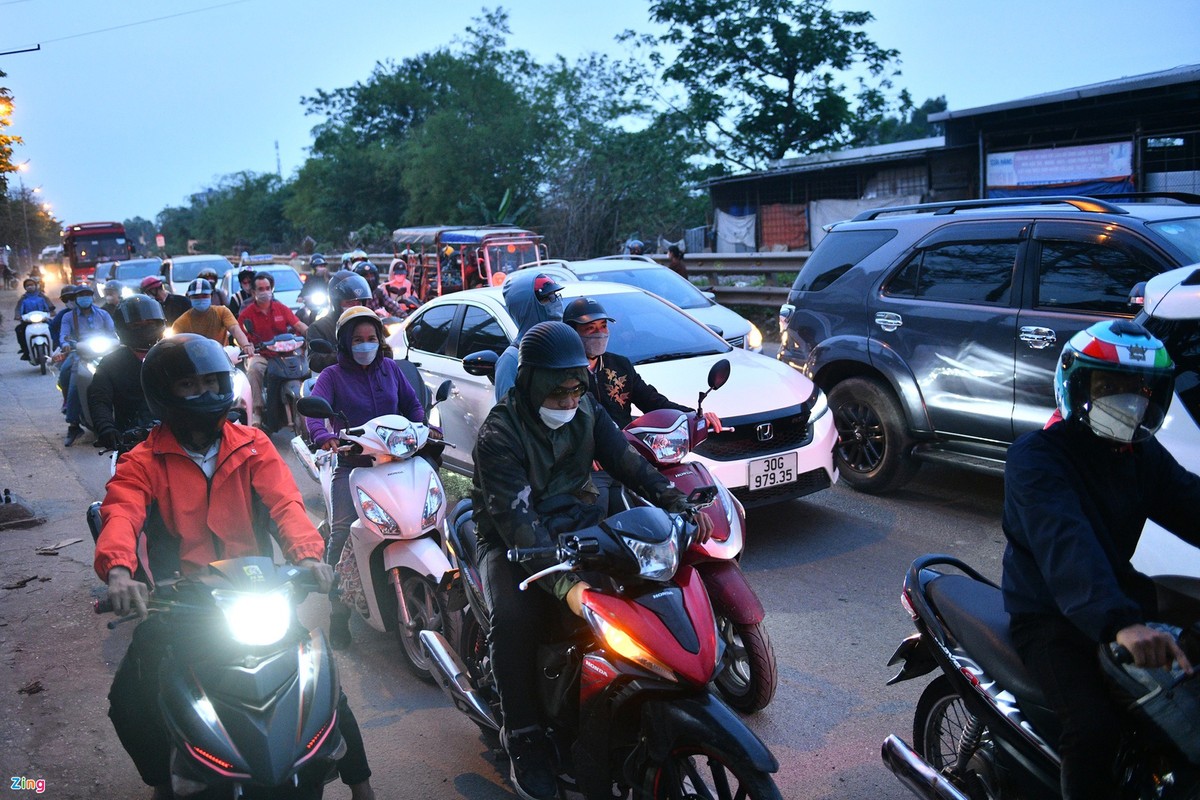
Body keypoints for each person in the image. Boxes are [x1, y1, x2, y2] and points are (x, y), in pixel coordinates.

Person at [94, 334, 375, 800]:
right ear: (164, 393)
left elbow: (287, 505)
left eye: (211, 381)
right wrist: (120, 570)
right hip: (183, 603)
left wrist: (308, 557)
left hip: (257, 593)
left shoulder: (253, 445)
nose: (204, 393)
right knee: (129, 701)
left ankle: (362, 783)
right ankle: (162, 781)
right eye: (189, 384)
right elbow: (121, 511)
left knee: (321, 685)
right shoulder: (141, 460)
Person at [472, 321, 712, 800]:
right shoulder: (500, 433)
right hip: (510, 538)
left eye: (575, 389)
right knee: (516, 621)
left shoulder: (586, 409)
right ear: (531, 382)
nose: (568, 402)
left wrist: (676, 502)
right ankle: (523, 736)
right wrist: (568, 588)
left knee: (642, 589)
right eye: (557, 392)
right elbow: (518, 523)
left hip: (580, 525)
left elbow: (627, 462)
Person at [1001, 319, 1200, 800]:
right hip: (1049, 611)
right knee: (1093, 730)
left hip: (1117, 593)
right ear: (1076, 384)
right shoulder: (1038, 457)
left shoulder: (1138, 455)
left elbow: (1190, 503)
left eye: (1138, 387)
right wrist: (1118, 624)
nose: (1128, 398)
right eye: (1110, 385)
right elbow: (1066, 542)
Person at [306, 307, 426, 648]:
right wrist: (324, 436)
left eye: (371, 339)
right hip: (352, 464)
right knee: (342, 532)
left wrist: (423, 426)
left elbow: (413, 407)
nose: (365, 346)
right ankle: (337, 614)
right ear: (345, 343)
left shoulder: (390, 369)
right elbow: (315, 410)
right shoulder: (331, 375)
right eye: (357, 340)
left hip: (395, 460)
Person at [562, 296, 723, 512]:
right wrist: (582, 452)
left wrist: (695, 416)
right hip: (589, 466)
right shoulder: (562, 373)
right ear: (572, 333)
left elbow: (653, 401)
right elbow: (556, 422)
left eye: (603, 326)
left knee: (671, 504)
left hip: (628, 455)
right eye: (590, 328)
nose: (599, 333)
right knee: (595, 513)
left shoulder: (619, 365)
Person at [88, 296, 165, 452]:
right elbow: (99, 400)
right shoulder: (111, 363)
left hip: (175, 436)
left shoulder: (172, 356)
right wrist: (106, 428)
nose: (144, 329)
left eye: (150, 324)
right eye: (137, 325)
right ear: (123, 328)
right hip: (131, 442)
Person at [237, 271, 308, 428]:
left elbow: (298, 325)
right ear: (253, 292)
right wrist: (247, 346)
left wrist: (311, 334)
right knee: (254, 369)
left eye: (267, 288)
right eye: (260, 289)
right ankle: (257, 410)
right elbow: (239, 334)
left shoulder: (281, 308)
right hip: (261, 354)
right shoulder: (246, 314)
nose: (265, 292)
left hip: (284, 353)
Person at [492, 272, 565, 401]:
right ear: (527, 307)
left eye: (555, 296)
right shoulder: (511, 360)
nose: (555, 302)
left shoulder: (565, 347)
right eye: (547, 298)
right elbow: (507, 415)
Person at [59, 286, 116, 447]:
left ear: (92, 297)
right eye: (81, 295)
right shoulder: (69, 317)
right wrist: (65, 345)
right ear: (76, 298)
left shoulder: (103, 314)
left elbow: (113, 333)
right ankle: (73, 425)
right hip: (80, 354)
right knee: (72, 382)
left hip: (105, 352)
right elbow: (63, 336)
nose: (84, 298)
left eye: (87, 295)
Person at [306, 270, 375, 373]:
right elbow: (314, 361)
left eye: (358, 302)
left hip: (368, 378)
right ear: (336, 303)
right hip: (336, 381)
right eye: (349, 303)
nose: (355, 307)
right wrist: (344, 356)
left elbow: (386, 352)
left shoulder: (371, 324)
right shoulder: (319, 327)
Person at [173, 278, 255, 355]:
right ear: (189, 297)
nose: (201, 299)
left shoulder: (222, 312)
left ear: (211, 296)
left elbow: (234, 329)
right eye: (196, 297)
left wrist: (245, 345)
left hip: (222, 357)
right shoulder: (180, 322)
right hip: (194, 362)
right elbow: (174, 345)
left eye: (204, 296)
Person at [14, 277, 55, 361]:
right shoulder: (23, 298)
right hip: (28, 321)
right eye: (27, 285)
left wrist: (52, 311)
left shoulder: (42, 296)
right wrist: (17, 315)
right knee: (19, 330)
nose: (30, 287)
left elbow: (50, 305)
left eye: (31, 285)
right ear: (25, 287)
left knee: (54, 327)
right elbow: (18, 308)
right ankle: (25, 350)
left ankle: (55, 346)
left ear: (36, 286)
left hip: (43, 319)